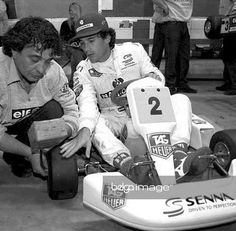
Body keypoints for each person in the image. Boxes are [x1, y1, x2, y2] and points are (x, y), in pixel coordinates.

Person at [60, 13, 211, 185]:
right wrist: (85, 129)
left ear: (107, 37)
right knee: (91, 123)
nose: (86, 48)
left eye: (91, 41)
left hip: (148, 111)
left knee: (181, 99)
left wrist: (142, 86)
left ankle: (178, 157)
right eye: (82, 43)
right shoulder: (83, 70)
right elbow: (87, 104)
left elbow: (158, 77)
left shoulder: (134, 50)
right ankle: (130, 166)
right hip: (116, 120)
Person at [0, 16, 80, 178]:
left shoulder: (53, 72)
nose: (41, 69)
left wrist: (56, 136)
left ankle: (17, 155)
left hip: (30, 123)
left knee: (54, 110)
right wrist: (30, 153)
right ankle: (23, 153)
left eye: (48, 60)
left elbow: (72, 112)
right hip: (4, 122)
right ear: (15, 51)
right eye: (35, 59)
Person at [152, 0, 197, 94]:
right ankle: (170, 85)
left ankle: (181, 83)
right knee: (171, 56)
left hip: (182, 23)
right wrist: (164, 6)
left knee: (184, 56)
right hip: (169, 23)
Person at [60, 2, 86, 88]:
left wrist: (80, 43)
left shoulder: (83, 24)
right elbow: (62, 40)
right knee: (74, 52)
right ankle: (83, 75)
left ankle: (73, 80)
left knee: (74, 56)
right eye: (70, 11)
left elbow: (85, 37)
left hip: (81, 48)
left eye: (74, 11)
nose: (72, 13)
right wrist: (71, 42)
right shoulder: (65, 24)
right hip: (69, 48)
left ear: (78, 12)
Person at [216, 0, 236, 95]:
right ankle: (228, 82)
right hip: (227, 19)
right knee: (225, 54)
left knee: (231, 55)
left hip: (233, 19)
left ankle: (234, 85)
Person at [151, 2, 165, 69]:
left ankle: (172, 77)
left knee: (172, 54)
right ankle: (153, 73)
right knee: (157, 52)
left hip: (174, 22)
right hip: (160, 21)